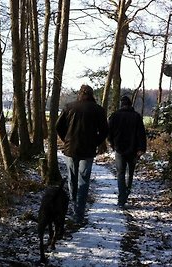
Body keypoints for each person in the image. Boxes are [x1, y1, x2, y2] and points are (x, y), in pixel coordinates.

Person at [56, 84, 108, 223]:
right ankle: (79, 214)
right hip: (88, 151)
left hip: (70, 149)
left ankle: (74, 205)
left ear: (79, 93)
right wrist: (96, 142)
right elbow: (104, 131)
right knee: (83, 181)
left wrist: (65, 139)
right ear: (92, 95)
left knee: (72, 180)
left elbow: (58, 126)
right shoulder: (98, 110)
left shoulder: (69, 107)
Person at [108, 95, 147, 208]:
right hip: (133, 150)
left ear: (121, 105)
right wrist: (141, 149)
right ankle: (127, 192)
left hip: (119, 149)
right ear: (130, 104)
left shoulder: (114, 116)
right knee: (130, 173)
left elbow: (109, 132)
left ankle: (122, 198)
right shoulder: (137, 117)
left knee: (120, 173)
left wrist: (112, 143)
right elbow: (141, 134)